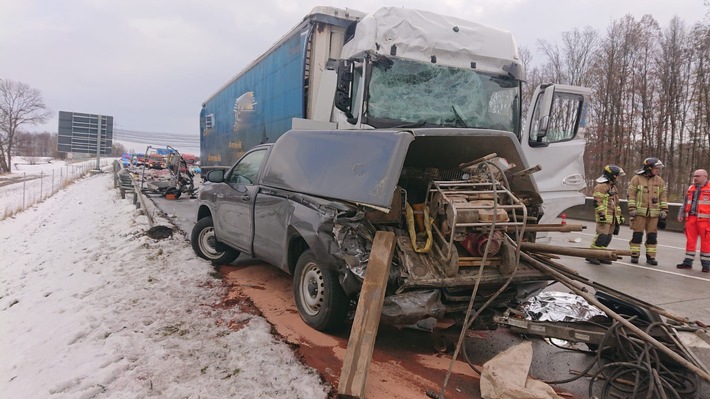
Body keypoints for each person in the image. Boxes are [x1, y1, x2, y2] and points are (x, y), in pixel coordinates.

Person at [627, 157, 669, 265]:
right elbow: (631, 195)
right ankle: (634, 254)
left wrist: (664, 210)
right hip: (639, 214)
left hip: (654, 214)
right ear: (649, 168)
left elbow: (663, 197)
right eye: (656, 168)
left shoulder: (660, 181)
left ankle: (651, 257)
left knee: (652, 236)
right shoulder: (636, 179)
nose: (658, 170)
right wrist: (632, 209)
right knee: (637, 235)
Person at [586, 165, 626, 265]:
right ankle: (592, 255)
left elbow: (616, 204)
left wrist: (619, 216)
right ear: (612, 175)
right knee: (601, 237)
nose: (618, 178)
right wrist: (602, 214)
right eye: (617, 175)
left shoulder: (613, 187)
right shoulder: (600, 186)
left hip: (612, 217)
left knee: (608, 237)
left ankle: (601, 255)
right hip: (604, 217)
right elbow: (597, 202)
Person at [676, 169, 710, 272]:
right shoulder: (691, 188)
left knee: (706, 241)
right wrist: (681, 214)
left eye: (698, 176)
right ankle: (688, 262)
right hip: (691, 219)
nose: (695, 178)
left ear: (705, 177)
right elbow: (685, 203)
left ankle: (706, 264)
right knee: (690, 241)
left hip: (705, 221)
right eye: (694, 176)